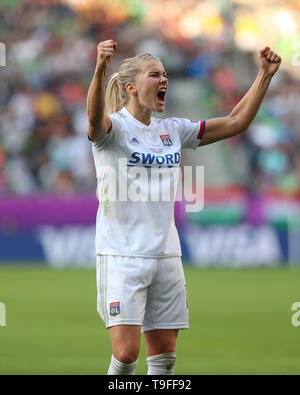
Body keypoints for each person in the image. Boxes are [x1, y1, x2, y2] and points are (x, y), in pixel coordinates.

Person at [87, 40, 281, 375]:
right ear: (131, 87)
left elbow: (236, 122)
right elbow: (92, 120)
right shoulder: (114, 129)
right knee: (127, 354)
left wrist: (264, 75)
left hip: (166, 256)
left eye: (164, 74)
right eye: (154, 75)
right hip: (122, 255)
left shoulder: (173, 130)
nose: (163, 80)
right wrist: (100, 67)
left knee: (164, 357)